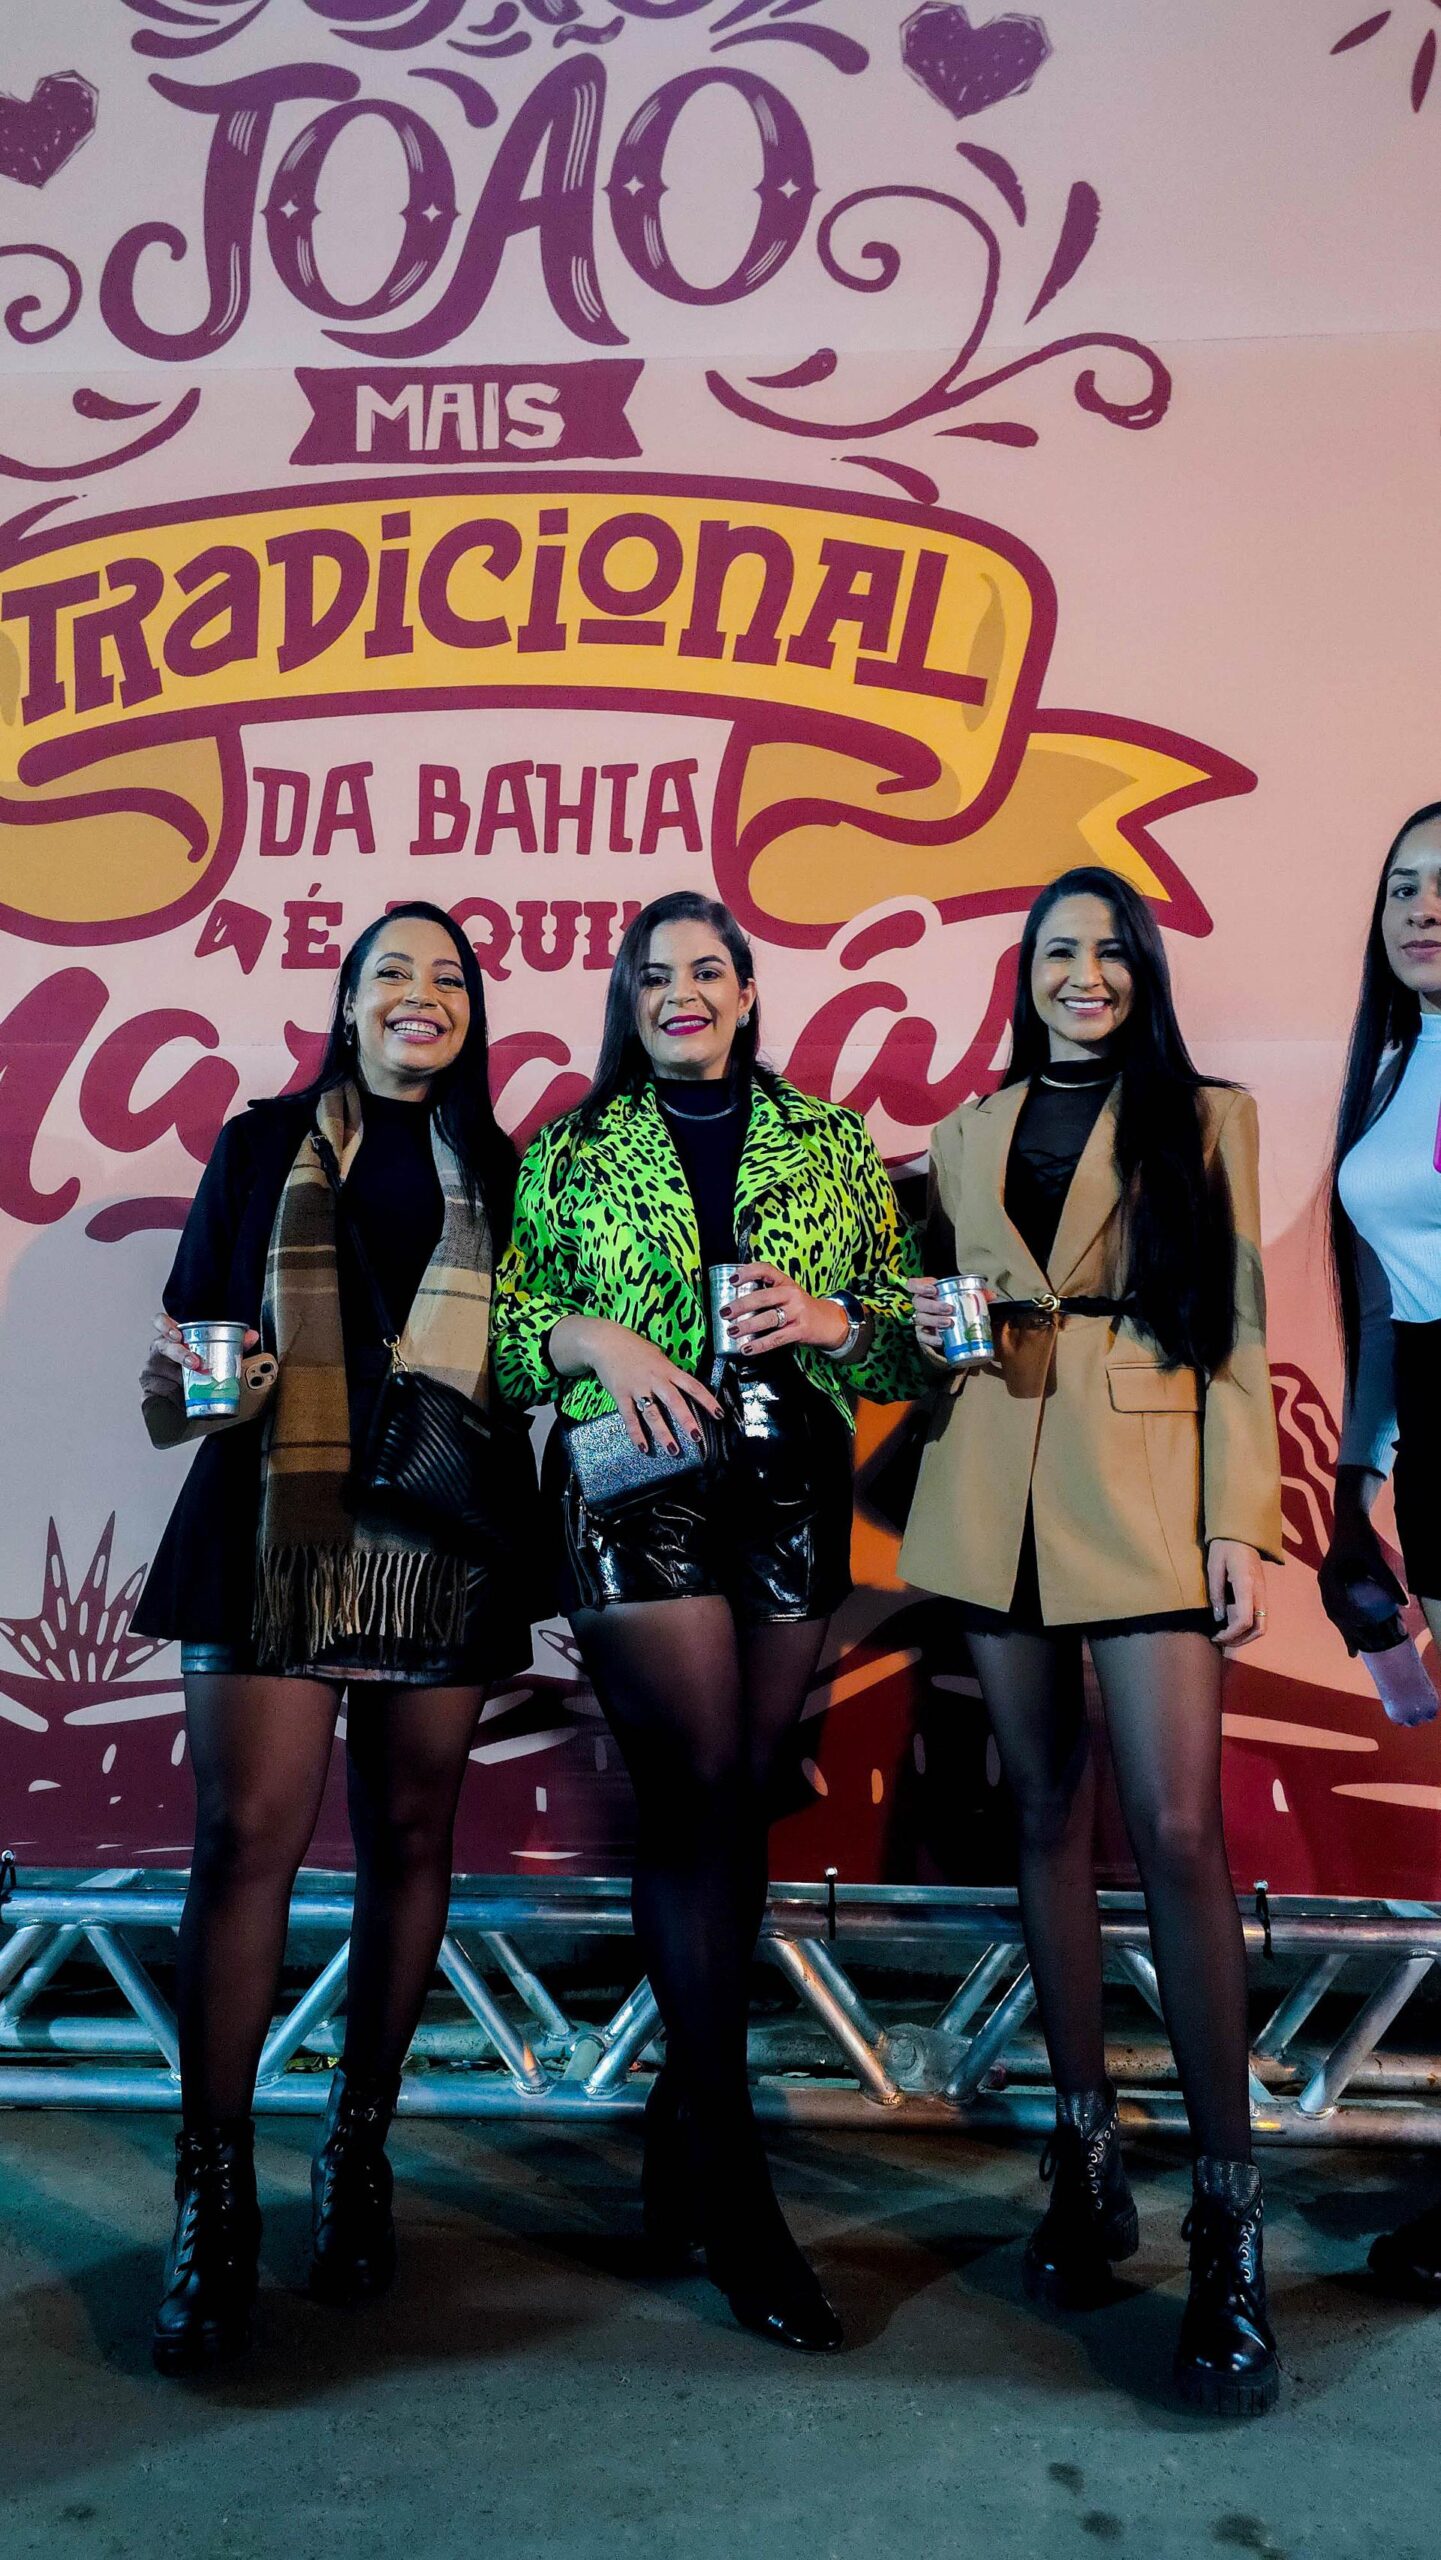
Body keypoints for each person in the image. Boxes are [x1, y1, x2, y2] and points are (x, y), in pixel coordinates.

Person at [493, 889, 914, 2352]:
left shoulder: (830, 1139)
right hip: (633, 1484)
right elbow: (511, 1334)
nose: (682, 992)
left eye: (707, 971)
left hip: (789, 1486)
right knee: (697, 1793)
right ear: (628, 1001)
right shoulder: (570, 1146)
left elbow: (902, 1339)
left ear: (744, 993)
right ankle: (734, 2180)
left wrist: (831, 1321)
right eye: (654, 975)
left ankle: (682, 2127)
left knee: (734, 1799)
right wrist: (596, 1337)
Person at [899, 864, 1284, 2418]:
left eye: (1110, 951)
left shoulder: (1209, 1117)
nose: (1085, 974)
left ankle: (1227, 2226)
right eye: (1059, 951)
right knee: (1043, 1814)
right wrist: (914, 1326)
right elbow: (945, 1320)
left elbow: (1237, 1330)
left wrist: (1234, 1522)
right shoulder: (965, 1131)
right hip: (992, 1485)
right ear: (1025, 973)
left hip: (1143, 1485)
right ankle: (1084, 2158)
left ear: (1140, 973)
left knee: (1176, 1831)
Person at [133, 901, 529, 2373]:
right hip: (272, 1517)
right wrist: (205, 1385)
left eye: (447, 978)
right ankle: (214, 2191)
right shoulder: (258, 1146)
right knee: (246, 1840)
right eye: (391, 975)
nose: (421, 996)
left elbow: (536, 1346)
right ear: (348, 1003)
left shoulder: (505, 1164)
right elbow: (193, 1328)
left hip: (438, 1529)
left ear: (470, 1013)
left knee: (412, 1836)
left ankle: (358, 2151)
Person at [1320, 804, 1441, 2297]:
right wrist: (1358, 1479)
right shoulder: (1401, 1063)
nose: (1423, 906)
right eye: (1403, 884)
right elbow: (1386, 1302)